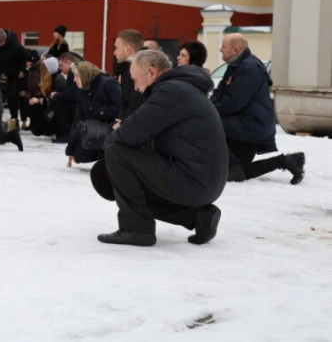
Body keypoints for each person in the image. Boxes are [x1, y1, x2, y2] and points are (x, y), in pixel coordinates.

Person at [98, 50, 228, 247]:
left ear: (151, 72)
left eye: (135, 80)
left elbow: (132, 133)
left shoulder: (171, 91)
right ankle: (196, 217)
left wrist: (109, 141)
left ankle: (136, 230)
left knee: (116, 153)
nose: (136, 87)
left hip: (195, 180)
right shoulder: (180, 89)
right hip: (202, 180)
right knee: (116, 178)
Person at [211, 33, 305, 184]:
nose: (220, 50)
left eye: (223, 47)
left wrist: (210, 112)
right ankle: (286, 161)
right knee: (235, 171)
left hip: (249, 127)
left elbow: (234, 102)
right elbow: (219, 92)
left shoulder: (248, 68)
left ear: (235, 50)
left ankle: (234, 164)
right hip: (243, 126)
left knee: (210, 123)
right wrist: (210, 106)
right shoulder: (236, 65)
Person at [65, 62, 121, 166]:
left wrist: (101, 111)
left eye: (77, 76)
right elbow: (78, 119)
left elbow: (120, 107)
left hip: (110, 127)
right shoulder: (81, 92)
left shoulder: (108, 84)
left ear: (85, 75)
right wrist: (70, 149)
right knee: (79, 156)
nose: (74, 80)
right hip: (91, 130)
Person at [0, 28, 26, 130]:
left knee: (21, 98)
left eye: (2, 42)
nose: (1, 44)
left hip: (18, 75)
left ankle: (24, 120)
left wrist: (22, 70)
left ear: (5, 39)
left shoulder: (16, 46)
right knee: (11, 98)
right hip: (8, 75)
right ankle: (14, 120)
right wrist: (1, 72)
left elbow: (24, 57)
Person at [114, 29, 146, 121]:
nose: (114, 52)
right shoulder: (125, 69)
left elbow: (135, 104)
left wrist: (123, 124)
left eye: (117, 48)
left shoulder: (137, 71)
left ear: (128, 49)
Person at [48, 53, 78, 143]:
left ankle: (66, 133)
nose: (59, 68)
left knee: (56, 101)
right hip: (77, 103)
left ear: (69, 62)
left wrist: (57, 94)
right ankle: (62, 132)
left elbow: (71, 94)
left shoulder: (74, 73)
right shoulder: (72, 72)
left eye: (61, 65)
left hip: (78, 105)